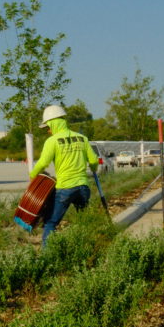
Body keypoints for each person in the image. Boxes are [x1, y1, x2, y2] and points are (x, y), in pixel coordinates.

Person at [30, 104, 99, 248]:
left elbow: (43, 163)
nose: (48, 130)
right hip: (83, 188)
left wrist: (33, 175)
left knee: (51, 222)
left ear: (53, 123)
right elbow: (93, 160)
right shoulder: (82, 138)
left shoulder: (52, 141)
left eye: (48, 127)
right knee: (83, 220)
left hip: (65, 188)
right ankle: (86, 247)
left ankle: (47, 254)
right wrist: (93, 169)